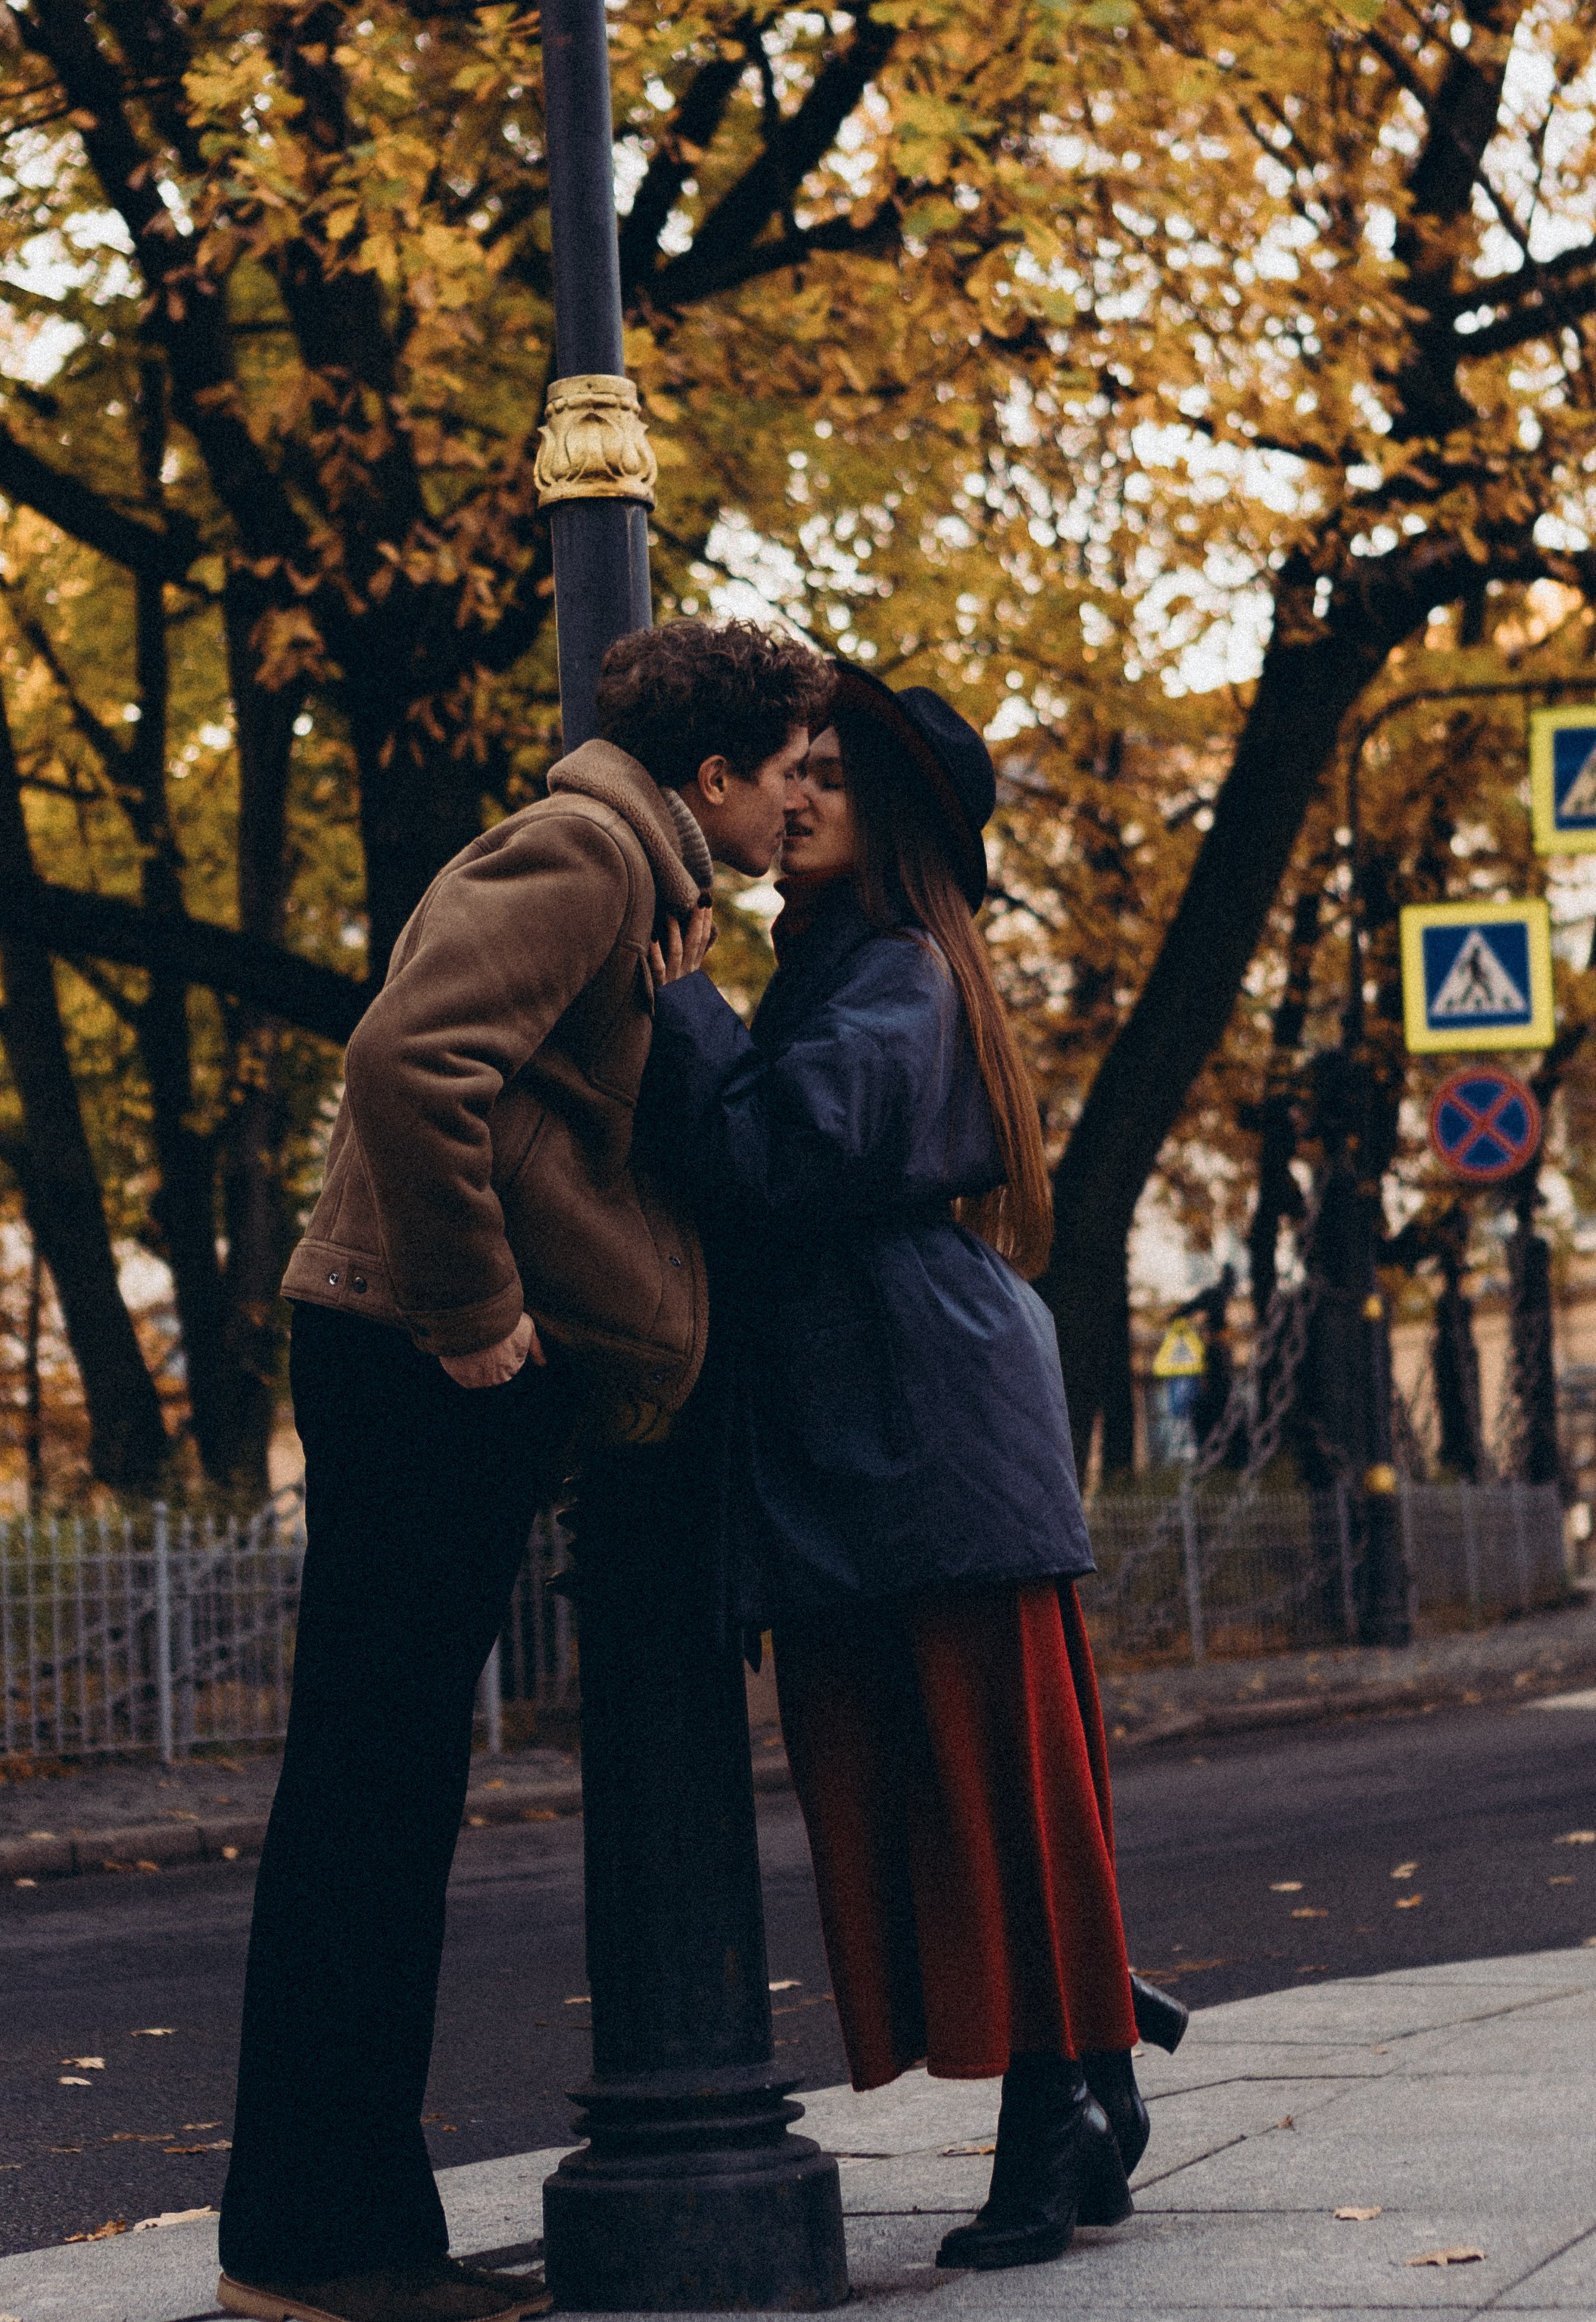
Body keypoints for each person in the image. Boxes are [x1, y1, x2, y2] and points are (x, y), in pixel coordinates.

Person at [217, 620, 833, 2322]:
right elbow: (407, 1064)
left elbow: (533, 1107)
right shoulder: (583, 852)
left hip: (416, 1356)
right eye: (787, 773)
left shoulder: (632, 871)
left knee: (376, 1791)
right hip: (417, 1359)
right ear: (711, 774)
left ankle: (324, 2230)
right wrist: (477, 1314)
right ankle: (319, 2247)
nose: (799, 804)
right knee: (369, 1796)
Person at [644, 663, 1181, 2277]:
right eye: (786, 769)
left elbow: (761, 1158)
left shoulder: (894, 974)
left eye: (825, 774)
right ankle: (1085, 2070)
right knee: (926, 1787)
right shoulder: (839, 966)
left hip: (923, 1423)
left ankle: (1060, 2109)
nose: (788, 794)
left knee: (982, 1790)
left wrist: (679, 999)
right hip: (878, 1423)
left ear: (893, 824)